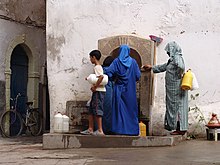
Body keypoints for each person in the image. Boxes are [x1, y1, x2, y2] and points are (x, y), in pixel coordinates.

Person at [143, 41, 188, 135]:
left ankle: (180, 128)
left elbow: (181, 66)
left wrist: (179, 74)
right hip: (172, 88)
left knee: (176, 107)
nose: (167, 53)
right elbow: (163, 67)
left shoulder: (176, 57)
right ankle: (177, 127)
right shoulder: (172, 60)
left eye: (168, 51)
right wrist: (151, 67)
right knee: (173, 107)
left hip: (176, 88)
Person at [105, 44, 141, 135]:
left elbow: (109, 72)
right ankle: (132, 130)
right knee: (131, 110)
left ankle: (119, 129)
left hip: (119, 89)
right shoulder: (133, 62)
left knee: (119, 109)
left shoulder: (117, 61)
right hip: (130, 90)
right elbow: (138, 76)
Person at [81, 50, 106, 136]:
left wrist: (95, 87)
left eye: (90, 57)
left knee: (97, 109)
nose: (90, 59)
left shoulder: (97, 67)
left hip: (98, 91)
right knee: (91, 109)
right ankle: (90, 129)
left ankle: (100, 130)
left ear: (93, 57)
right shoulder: (97, 67)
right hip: (97, 91)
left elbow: (101, 77)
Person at [102, 56, 115, 135]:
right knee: (108, 109)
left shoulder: (102, 69)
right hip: (108, 89)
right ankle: (107, 128)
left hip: (102, 89)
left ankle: (101, 127)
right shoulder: (110, 69)